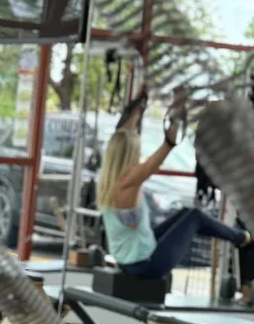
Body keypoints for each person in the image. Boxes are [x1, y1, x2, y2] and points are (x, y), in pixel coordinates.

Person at [99, 92, 252, 280]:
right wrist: (177, 113)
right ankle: (242, 238)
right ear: (129, 154)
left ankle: (240, 238)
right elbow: (166, 146)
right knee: (194, 217)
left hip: (131, 259)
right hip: (146, 265)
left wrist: (142, 99)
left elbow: (122, 133)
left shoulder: (110, 179)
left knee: (186, 213)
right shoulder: (129, 181)